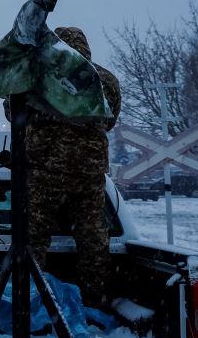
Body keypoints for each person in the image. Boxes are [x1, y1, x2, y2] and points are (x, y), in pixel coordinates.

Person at [21, 26, 122, 308]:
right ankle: (93, 300)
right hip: (88, 174)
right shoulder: (106, 80)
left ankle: (30, 300)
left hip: (44, 170)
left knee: (34, 238)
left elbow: (15, 112)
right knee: (92, 238)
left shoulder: (39, 76)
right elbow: (109, 121)